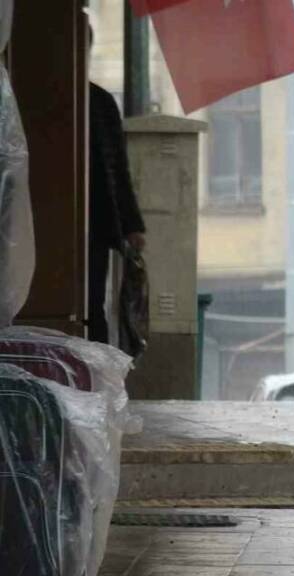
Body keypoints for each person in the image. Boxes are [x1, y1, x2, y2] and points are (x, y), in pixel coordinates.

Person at [88, 28, 146, 344]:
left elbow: (118, 172)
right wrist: (130, 225)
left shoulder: (99, 102)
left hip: (95, 224)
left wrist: (130, 224)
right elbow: (118, 172)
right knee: (92, 304)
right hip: (97, 223)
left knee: (92, 304)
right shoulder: (99, 101)